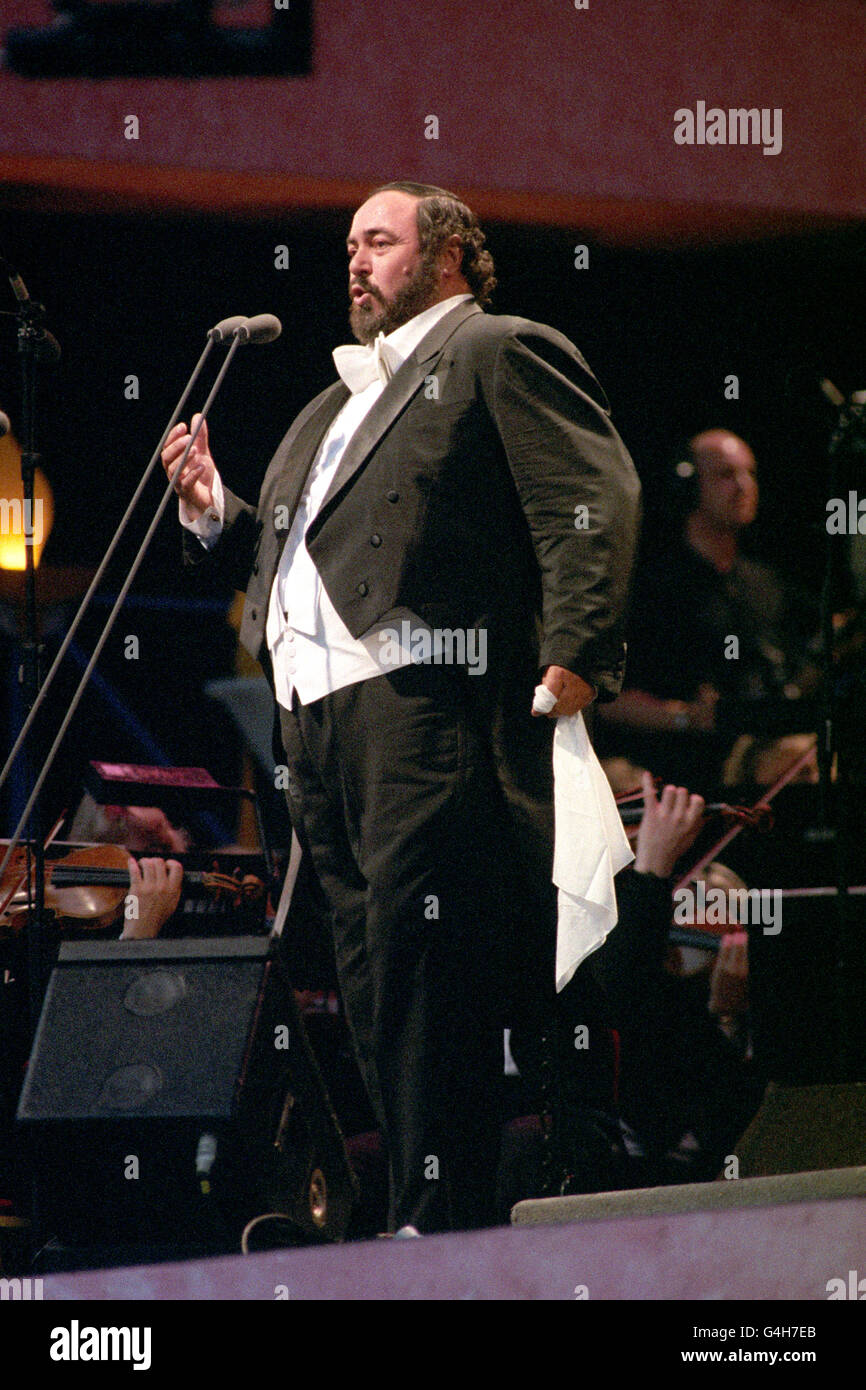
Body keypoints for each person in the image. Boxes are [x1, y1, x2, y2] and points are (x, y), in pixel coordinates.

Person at [163, 180, 641, 1233]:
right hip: (315, 718)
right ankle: (418, 1210)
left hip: (420, 700)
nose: (354, 260)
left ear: (449, 255)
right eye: (347, 244)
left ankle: (438, 1213)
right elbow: (298, 553)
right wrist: (215, 514)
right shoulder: (325, 408)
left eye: (377, 241)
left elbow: (588, 495)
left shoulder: (494, 345)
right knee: (369, 969)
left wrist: (574, 649)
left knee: (422, 962)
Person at [597, 429, 819, 788]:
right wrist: (685, 718)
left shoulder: (766, 584)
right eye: (726, 475)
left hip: (750, 754)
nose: (744, 486)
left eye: (750, 473)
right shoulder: (648, 585)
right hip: (669, 760)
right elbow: (605, 699)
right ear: (687, 485)